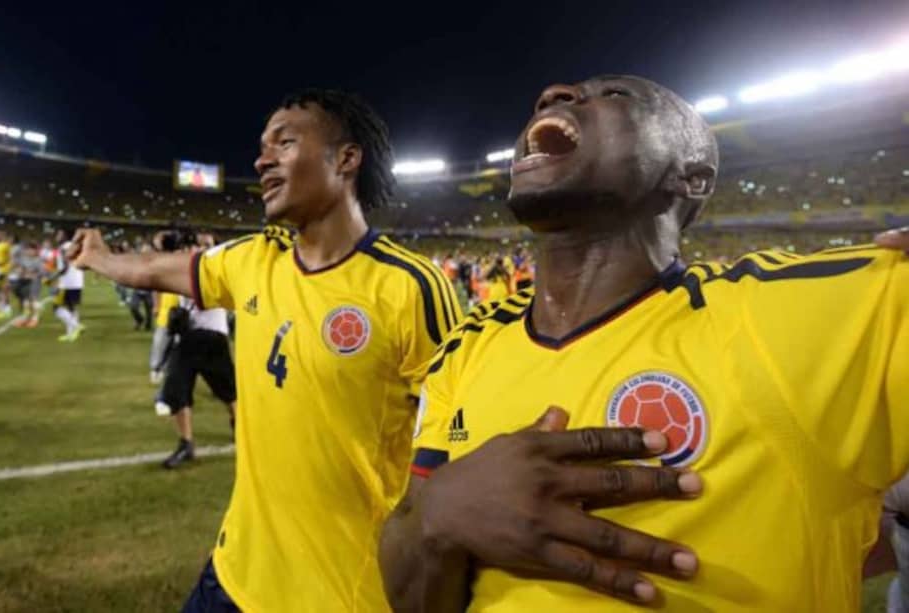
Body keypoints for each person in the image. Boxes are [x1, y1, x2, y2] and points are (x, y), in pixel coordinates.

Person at [380, 75, 909, 612]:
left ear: (691, 178)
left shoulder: (802, 312)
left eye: (614, 94)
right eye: (554, 95)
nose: (554, 93)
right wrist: (437, 516)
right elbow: (412, 597)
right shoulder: (469, 343)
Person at [68, 89, 469, 611]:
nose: (261, 160)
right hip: (232, 573)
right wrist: (100, 258)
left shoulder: (409, 287)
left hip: (338, 595)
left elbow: (459, 441)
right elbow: (153, 270)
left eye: (285, 142)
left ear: (346, 158)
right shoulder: (254, 260)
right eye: (262, 147)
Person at [158, 294, 237, 469]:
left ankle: (239, 426)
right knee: (177, 388)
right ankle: (186, 444)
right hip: (186, 334)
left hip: (212, 334)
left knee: (228, 390)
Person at [53, 233, 85, 342]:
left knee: (57, 308)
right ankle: (71, 334)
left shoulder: (63, 248)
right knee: (72, 307)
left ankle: (77, 326)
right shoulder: (76, 247)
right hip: (78, 281)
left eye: (58, 234)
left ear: (64, 236)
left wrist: (52, 278)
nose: (56, 236)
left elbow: (64, 267)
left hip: (66, 283)